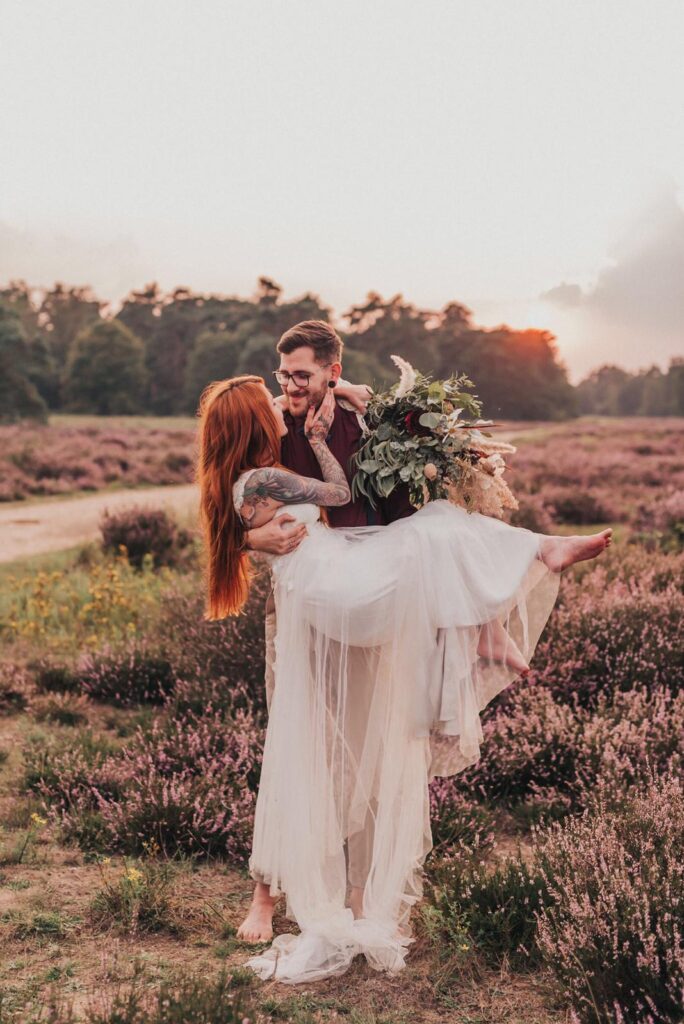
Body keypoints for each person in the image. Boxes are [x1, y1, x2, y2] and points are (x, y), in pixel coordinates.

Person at [195, 372, 613, 985]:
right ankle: (522, 572)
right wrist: (263, 519)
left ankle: (484, 619)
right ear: (256, 421)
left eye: (292, 382)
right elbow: (328, 496)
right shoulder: (267, 470)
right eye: (272, 398)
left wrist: (349, 405)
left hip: (329, 587)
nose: (284, 397)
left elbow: (272, 502)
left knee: (428, 537)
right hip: (326, 594)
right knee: (432, 531)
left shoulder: (269, 458)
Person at [237, 321, 417, 945]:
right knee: (293, 742)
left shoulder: (370, 425)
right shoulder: (268, 426)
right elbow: (229, 511)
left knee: (366, 745)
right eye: (283, 373)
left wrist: (363, 400)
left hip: (364, 610)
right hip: (294, 609)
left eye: (302, 375)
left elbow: (406, 515)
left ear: (332, 373)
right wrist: (250, 538)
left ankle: (360, 890)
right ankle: (265, 892)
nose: (289, 386)